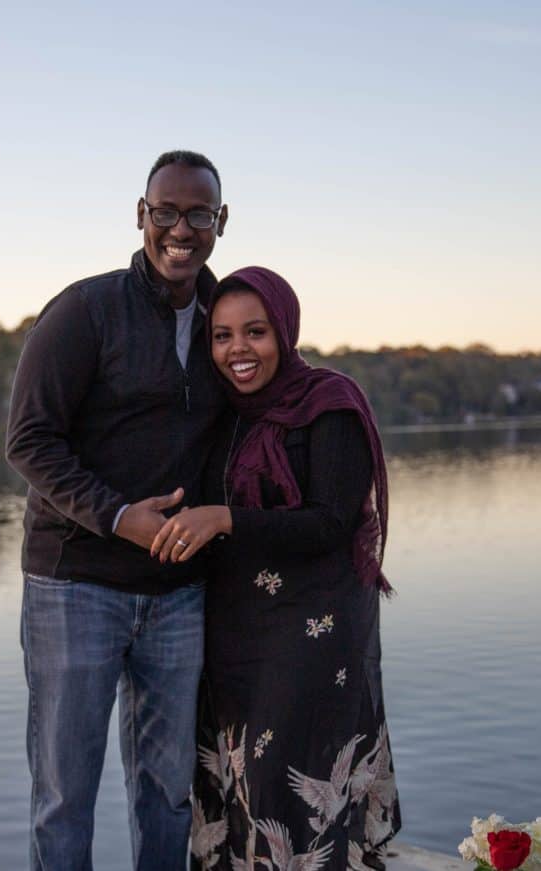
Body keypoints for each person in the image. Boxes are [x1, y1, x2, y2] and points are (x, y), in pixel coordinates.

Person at [5, 150, 229, 870]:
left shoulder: (228, 321)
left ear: (221, 222)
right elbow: (28, 440)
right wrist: (119, 514)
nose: (180, 228)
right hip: (76, 585)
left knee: (167, 792)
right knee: (65, 798)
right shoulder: (86, 310)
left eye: (198, 213)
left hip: (177, 593)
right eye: (166, 211)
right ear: (142, 215)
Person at [149, 267, 401, 870]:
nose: (238, 349)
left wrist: (226, 519)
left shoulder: (328, 403)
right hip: (234, 636)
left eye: (255, 332)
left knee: (290, 790)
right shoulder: (222, 416)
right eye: (221, 335)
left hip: (312, 636)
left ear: (284, 332)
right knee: (236, 787)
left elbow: (332, 521)